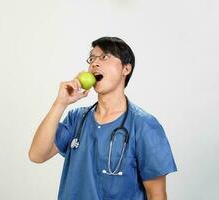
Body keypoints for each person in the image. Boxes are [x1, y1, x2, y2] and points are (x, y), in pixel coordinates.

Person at [29, 36, 177, 200]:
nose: (94, 63)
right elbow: (37, 155)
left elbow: (156, 195)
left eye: (104, 57)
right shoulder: (77, 119)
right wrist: (60, 103)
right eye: (92, 58)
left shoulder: (144, 125)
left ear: (125, 69)